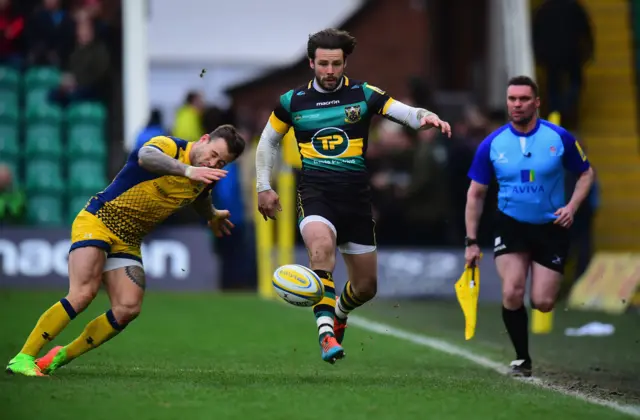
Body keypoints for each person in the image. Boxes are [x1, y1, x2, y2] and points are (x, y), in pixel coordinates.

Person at [255, 28, 451, 364]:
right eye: (323, 64)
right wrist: (263, 186)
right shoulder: (292, 102)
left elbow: (403, 112)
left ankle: (341, 312)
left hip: (357, 200)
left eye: (336, 64)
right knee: (321, 249)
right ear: (311, 63)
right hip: (316, 192)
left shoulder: (364, 94)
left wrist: (426, 117)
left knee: (365, 287)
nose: (329, 71)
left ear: (345, 62)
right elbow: (268, 142)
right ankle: (326, 334)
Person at [5, 125, 246, 377]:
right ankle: (23, 357)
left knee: (128, 308)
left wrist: (213, 215)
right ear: (204, 139)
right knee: (83, 293)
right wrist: (188, 169)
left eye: (222, 162)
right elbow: (146, 157)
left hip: (128, 240)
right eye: (214, 154)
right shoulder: (170, 147)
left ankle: (59, 356)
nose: (214, 162)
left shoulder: (205, 176)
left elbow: (201, 196)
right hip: (99, 221)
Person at [464, 75, 594, 377]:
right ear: (507, 102)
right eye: (512, 99)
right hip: (511, 225)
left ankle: (533, 323)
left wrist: (572, 207)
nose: (517, 104)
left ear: (537, 102)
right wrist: (471, 241)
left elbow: (586, 174)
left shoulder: (559, 138)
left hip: (551, 228)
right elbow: (476, 194)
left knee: (543, 302)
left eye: (524, 99)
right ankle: (522, 359)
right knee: (512, 292)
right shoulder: (492, 144)